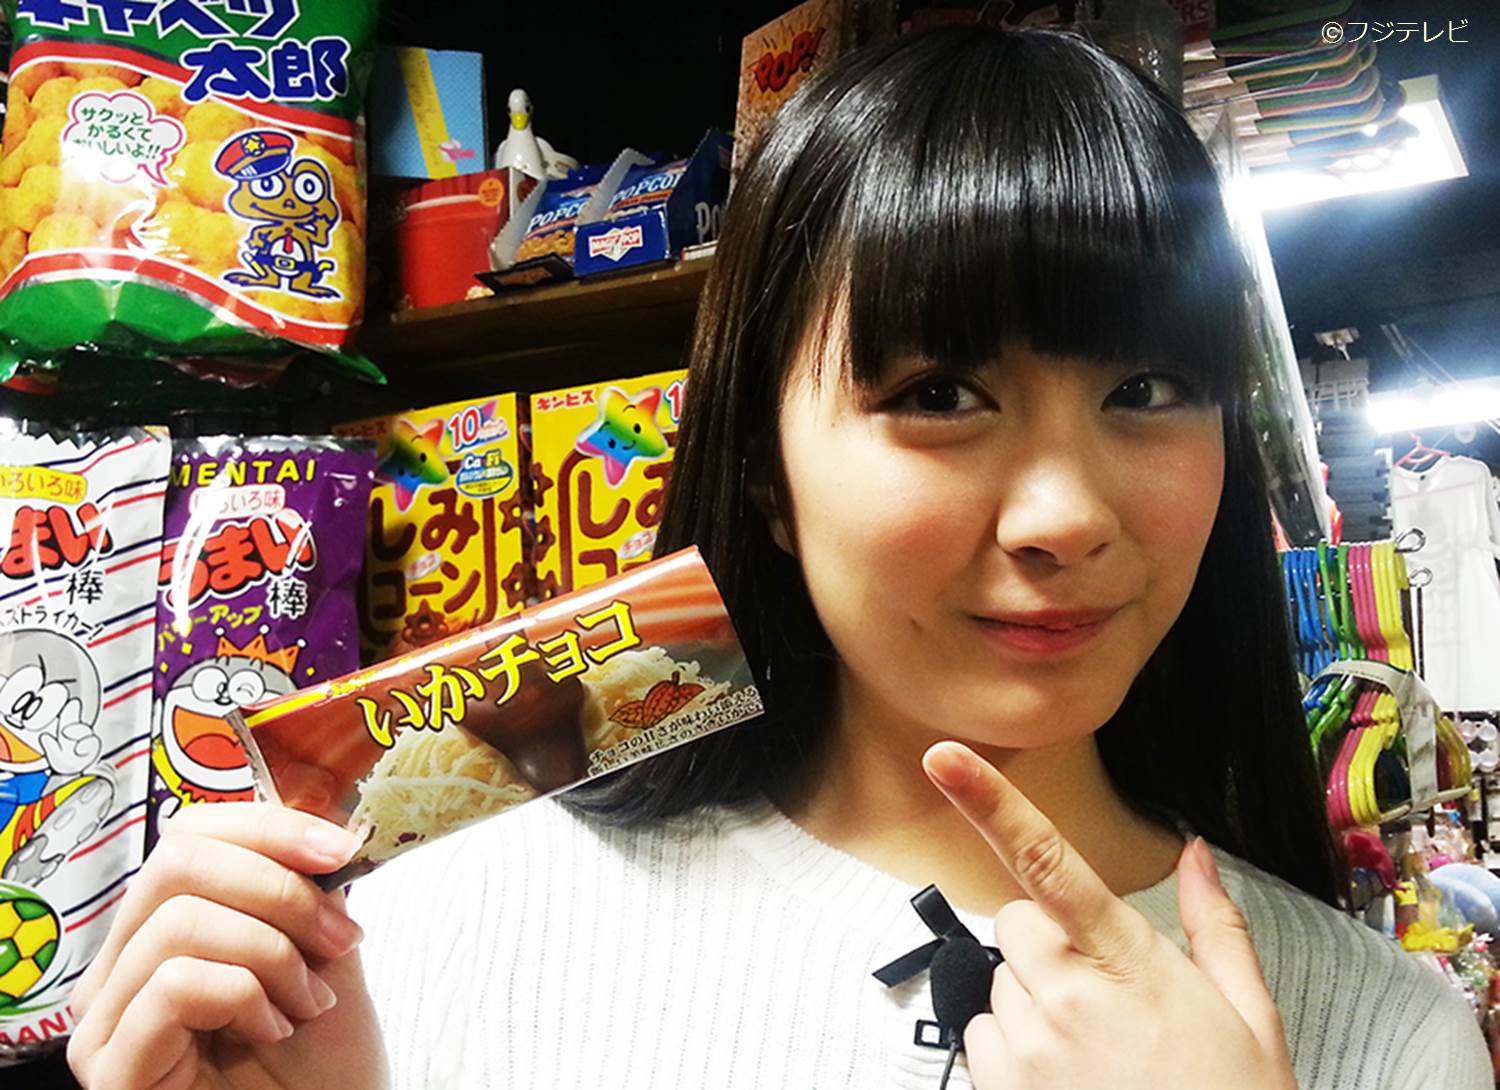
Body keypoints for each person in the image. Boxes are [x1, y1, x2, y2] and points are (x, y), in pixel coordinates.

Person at [65, 25, 1489, 1090]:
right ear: (761, 462)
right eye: (941, 392)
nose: (1064, 515)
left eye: (1150, 389)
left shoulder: (1384, 1035)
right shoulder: (410, 955)